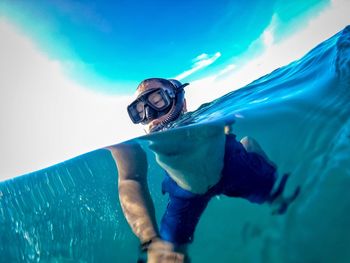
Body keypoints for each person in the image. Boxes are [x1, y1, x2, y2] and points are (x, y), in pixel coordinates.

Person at [108, 78, 299, 263]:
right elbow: (130, 179)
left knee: (278, 198)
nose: (151, 116)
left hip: (232, 165)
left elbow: (233, 115)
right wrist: (150, 241)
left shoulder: (205, 117)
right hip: (184, 191)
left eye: (158, 100)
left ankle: (247, 147)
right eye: (139, 111)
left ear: (180, 103)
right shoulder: (131, 147)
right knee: (167, 253)